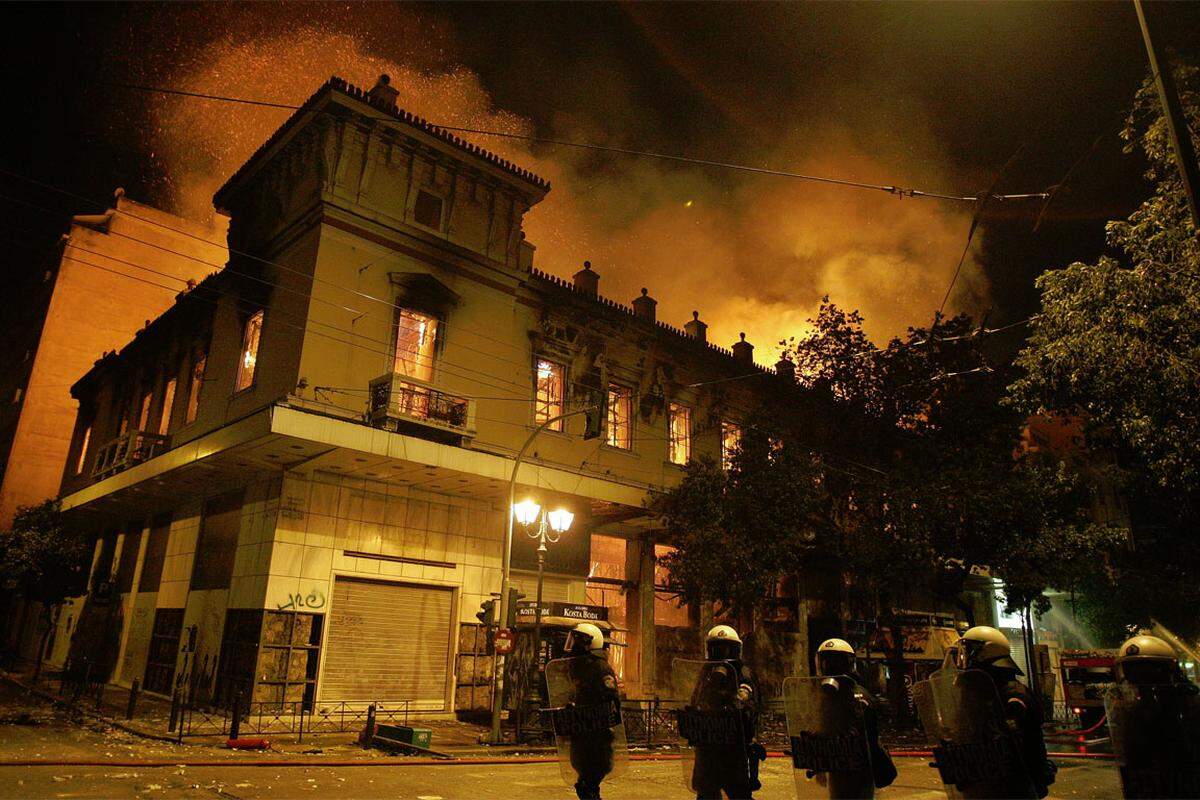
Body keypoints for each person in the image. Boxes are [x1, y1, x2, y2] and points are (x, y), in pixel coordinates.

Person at [956, 625, 1056, 799]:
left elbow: (1007, 734)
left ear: (987, 651)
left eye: (969, 649)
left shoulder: (1013, 692)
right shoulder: (985, 692)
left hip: (1016, 785)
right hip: (991, 782)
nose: (965, 655)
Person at [1109, 633, 1200, 798]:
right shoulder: (1133, 710)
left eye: (1144, 672)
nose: (1137, 680)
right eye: (1132, 673)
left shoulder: (1189, 704)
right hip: (1145, 786)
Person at [689, 625, 764, 800]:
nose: (722, 655)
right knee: (706, 794)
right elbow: (696, 700)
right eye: (717, 649)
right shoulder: (705, 674)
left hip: (732, 749)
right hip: (708, 747)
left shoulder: (742, 675)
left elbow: (746, 705)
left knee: (739, 794)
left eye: (726, 649)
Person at [815, 638, 897, 790]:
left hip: (858, 771)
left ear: (848, 664)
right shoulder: (827, 697)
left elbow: (867, 737)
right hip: (837, 768)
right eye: (826, 663)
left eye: (836, 663)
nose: (830, 668)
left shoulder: (858, 696)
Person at [560, 622, 620, 800]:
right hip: (582, 732)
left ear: (587, 643)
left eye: (576, 641)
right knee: (585, 786)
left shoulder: (599, 667)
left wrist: (590, 713)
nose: (572, 645)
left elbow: (610, 700)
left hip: (596, 736)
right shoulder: (579, 666)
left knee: (588, 786)